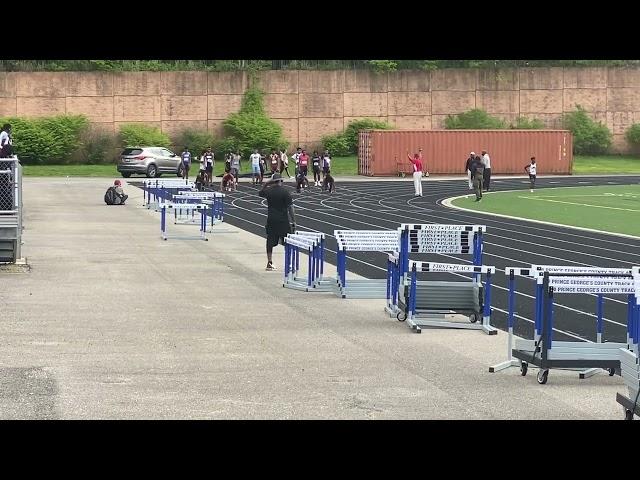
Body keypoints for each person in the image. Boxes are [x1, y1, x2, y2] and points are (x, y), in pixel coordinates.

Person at [258, 173, 296, 271]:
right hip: (283, 220)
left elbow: (260, 193)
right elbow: (290, 208)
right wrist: (293, 221)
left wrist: (266, 184)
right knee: (287, 242)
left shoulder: (269, 191)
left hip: (271, 219)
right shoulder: (285, 192)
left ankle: (269, 262)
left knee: (270, 241)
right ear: (281, 181)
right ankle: (289, 263)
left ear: (273, 181)